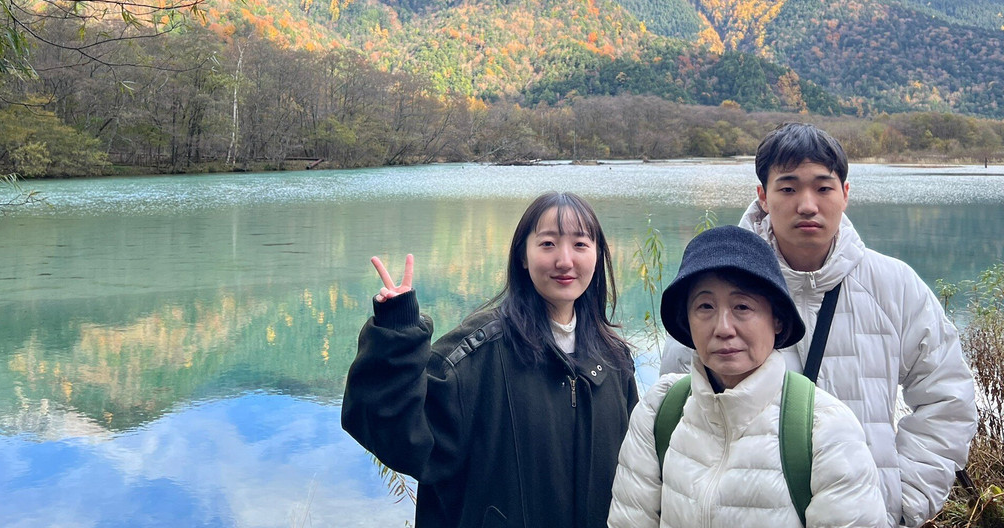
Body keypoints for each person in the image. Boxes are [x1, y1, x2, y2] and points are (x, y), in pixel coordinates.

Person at [659, 123, 977, 527]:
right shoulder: (717, 287)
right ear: (763, 196)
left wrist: (901, 500)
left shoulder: (895, 287)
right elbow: (674, 403)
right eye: (788, 188)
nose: (807, 205)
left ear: (845, 194)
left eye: (823, 188)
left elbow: (948, 397)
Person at [341, 191, 639, 528]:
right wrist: (396, 331)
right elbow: (398, 434)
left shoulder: (614, 361)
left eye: (580, 245)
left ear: (598, 256)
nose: (565, 260)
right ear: (523, 257)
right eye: (548, 244)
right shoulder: (479, 350)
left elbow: (637, 475)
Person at [609, 225, 887, 528]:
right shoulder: (660, 411)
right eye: (705, 306)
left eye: (742, 306)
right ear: (686, 321)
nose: (723, 328)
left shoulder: (824, 429)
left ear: (777, 319)